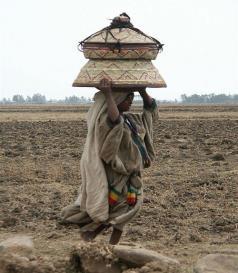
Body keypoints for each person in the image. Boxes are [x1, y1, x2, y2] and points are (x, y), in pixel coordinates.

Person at [60, 78, 158, 244]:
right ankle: (101, 239)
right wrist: (108, 93)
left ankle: (102, 240)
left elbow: (150, 111)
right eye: (128, 99)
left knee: (126, 209)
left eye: (132, 99)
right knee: (122, 208)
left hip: (133, 175)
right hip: (118, 174)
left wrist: (142, 90)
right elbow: (114, 121)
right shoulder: (108, 122)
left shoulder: (132, 119)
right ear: (118, 100)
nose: (130, 103)